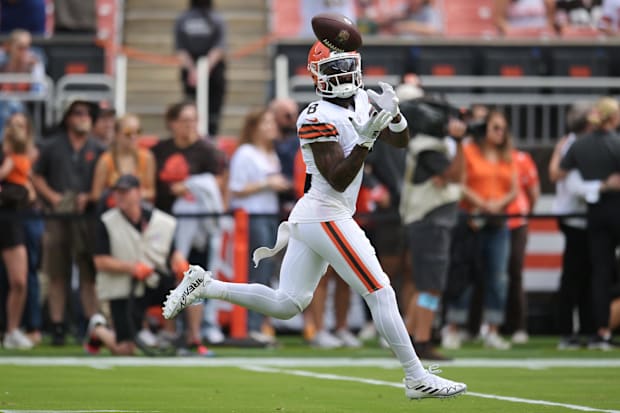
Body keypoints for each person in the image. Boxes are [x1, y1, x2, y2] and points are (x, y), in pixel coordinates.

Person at [163, 39, 467, 400]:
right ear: (316, 77)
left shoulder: (362, 99)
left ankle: (207, 286)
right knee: (380, 291)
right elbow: (338, 177)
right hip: (326, 212)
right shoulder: (314, 115)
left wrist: (396, 116)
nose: (341, 75)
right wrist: (367, 138)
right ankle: (416, 376)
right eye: (333, 69)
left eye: (343, 67)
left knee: (287, 303)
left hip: (321, 213)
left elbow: (400, 143)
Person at [151, 101, 226, 353]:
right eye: (184, 120)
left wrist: (191, 185)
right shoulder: (160, 150)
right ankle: (170, 332)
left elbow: (215, 184)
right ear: (172, 123)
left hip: (196, 225)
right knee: (168, 277)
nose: (190, 125)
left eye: (193, 120)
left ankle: (195, 335)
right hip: (166, 222)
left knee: (195, 276)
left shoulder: (205, 150)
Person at [86, 174, 188, 355]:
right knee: (124, 349)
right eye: (117, 192)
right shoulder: (107, 222)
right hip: (124, 288)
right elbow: (100, 261)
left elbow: (172, 251)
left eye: (125, 192)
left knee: (191, 285)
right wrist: (132, 268)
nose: (120, 196)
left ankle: (180, 336)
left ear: (139, 193)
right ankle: (98, 328)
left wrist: (180, 262)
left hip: (153, 281)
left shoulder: (159, 221)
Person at [442, 110, 517, 351]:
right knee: (464, 274)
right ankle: (454, 326)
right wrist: (482, 203)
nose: (500, 133)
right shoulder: (469, 151)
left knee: (498, 277)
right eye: (495, 128)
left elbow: (515, 188)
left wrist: (498, 204)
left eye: (503, 129)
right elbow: (460, 183)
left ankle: (492, 329)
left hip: (497, 222)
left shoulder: (507, 155)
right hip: (471, 220)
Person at [32, 99, 105, 346]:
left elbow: (103, 183)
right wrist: (52, 197)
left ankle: (90, 323)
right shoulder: (52, 146)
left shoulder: (98, 148)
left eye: (87, 113)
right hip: (58, 216)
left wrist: (90, 196)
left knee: (88, 274)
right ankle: (58, 325)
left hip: (86, 217)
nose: (83, 117)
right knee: (57, 273)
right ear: (68, 117)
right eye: (77, 113)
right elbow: (36, 175)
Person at [399, 97, 466, 360]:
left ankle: (407, 340)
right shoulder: (426, 147)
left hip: (427, 221)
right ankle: (422, 340)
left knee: (424, 285)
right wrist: (460, 143)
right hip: (430, 221)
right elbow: (457, 175)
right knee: (431, 286)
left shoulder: (424, 146)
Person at [558, 96, 620, 349]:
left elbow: (559, 172)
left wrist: (594, 184)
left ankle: (601, 330)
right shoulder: (616, 143)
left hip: (595, 212)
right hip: (617, 207)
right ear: (613, 118)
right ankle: (604, 332)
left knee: (600, 273)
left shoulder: (579, 145)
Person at [228, 107, 291, 343]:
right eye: (265, 123)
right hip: (252, 215)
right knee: (257, 270)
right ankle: (250, 325)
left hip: (269, 214)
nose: (271, 127)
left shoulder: (272, 152)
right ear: (253, 127)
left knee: (266, 272)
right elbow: (236, 188)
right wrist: (267, 183)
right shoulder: (245, 152)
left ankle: (260, 323)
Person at [549, 101, 595, 349]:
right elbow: (559, 174)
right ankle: (568, 331)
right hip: (575, 215)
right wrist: (600, 186)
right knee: (575, 276)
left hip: (578, 215)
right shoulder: (574, 145)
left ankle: (584, 329)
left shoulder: (568, 142)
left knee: (585, 275)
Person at [0, 122, 34, 349]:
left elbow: (29, 190)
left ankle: (12, 329)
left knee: (20, 280)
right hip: (6, 220)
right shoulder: (12, 160)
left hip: (16, 220)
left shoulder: (22, 160)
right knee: (16, 280)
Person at [503, 149, 540, 344]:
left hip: (516, 221)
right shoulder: (477, 155)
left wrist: (525, 215)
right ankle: (484, 326)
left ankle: (518, 326)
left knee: (515, 273)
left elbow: (534, 192)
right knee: (486, 274)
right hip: (489, 220)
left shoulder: (521, 159)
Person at [174, 0, 227, 137]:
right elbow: (180, 49)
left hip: (213, 68)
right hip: (191, 66)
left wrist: (205, 68)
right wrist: (192, 70)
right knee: (191, 105)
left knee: (213, 108)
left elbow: (220, 47)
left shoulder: (216, 18)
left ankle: (211, 135)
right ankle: (191, 134)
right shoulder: (183, 19)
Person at [91, 113, 156, 208]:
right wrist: (119, 196)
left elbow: (151, 192)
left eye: (138, 132)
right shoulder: (106, 160)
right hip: (112, 212)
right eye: (128, 133)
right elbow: (96, 195)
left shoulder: (146, 157)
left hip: (138, 211)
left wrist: (133, 195)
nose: (134, 137)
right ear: (117, 134)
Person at [0, 29, 46, 137]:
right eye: (20, 48)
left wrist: (36, 69)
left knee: (15, 106)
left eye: (27, 47)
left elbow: (40, 92)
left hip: (26, 110)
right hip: (2, 110)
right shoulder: (2, 63)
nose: (25, 52)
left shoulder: (34, 64)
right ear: (9, 47)